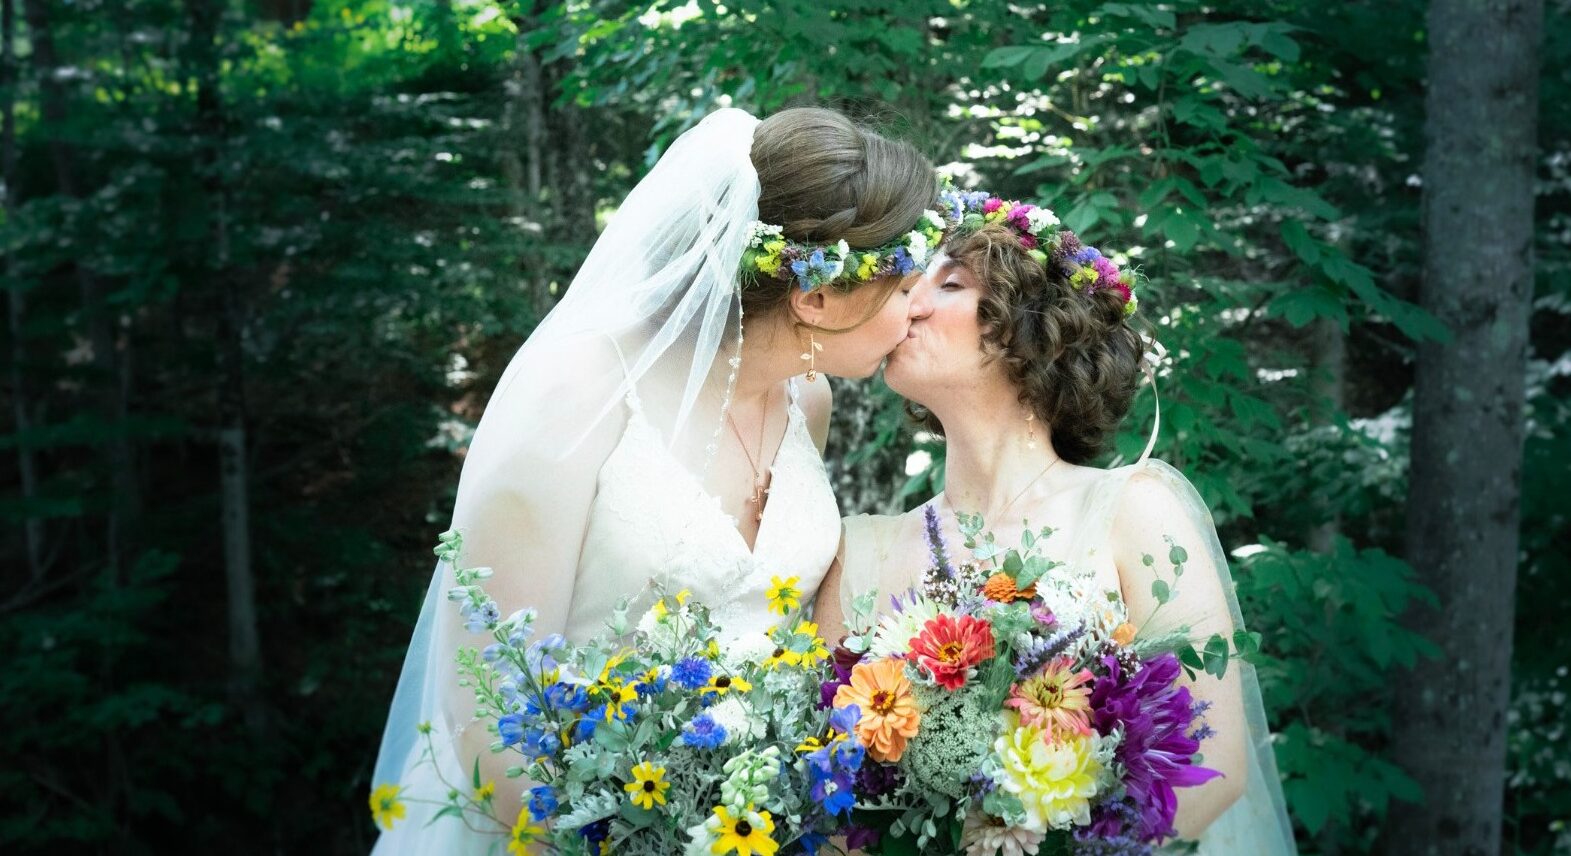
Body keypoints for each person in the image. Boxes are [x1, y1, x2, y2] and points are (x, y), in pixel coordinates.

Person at [371, 106, 943, 852]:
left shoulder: (808, 401)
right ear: (814, 298)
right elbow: (484, 704)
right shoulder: (578, 394)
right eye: (903, 288)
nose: (920, 309)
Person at [815, 196, 1298, 853]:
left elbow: (1212, 767)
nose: (907, 304)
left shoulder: (1134, 510)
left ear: (1030, 328)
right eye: (911, 283)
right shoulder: (858, 550)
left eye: (949, 284)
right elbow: (833, 795)